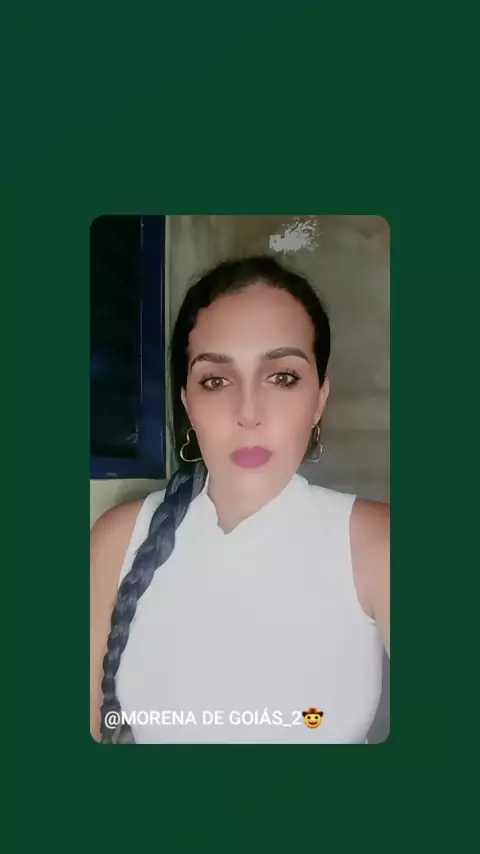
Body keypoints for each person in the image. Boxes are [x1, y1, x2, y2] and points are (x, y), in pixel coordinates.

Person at [90, 255, 390, 744]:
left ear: (319, 399)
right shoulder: (117, 540)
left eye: (282, 377)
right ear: (187, 403)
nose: (248, 412)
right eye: (216, 380)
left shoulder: (378, 544)